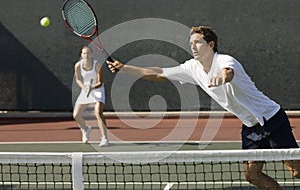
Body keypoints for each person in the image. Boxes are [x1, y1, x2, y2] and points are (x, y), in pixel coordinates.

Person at [107, 26, 300, 189]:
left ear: (210, 45)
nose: (193, 46)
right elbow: (158, 73)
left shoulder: (224, 60)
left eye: (197, 42)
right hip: (250, 126)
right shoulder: (192, 68)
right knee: (252, 175)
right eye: (191, 43)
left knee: (296, 170)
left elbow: (229, 73)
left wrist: (221, 78)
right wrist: (125, 68)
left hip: (272, 118)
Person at [73, 45, 109, 147]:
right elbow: (78, 79)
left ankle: (104, 138)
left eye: (88, 53)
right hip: (85, 89)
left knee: (98, 112)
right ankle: (85, 129)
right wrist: (84, 88)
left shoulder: (97, 65)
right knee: (76, 115)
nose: (86, 55)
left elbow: (100, 82)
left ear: (92, 54)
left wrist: (91, 87)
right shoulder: (77, 66)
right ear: (81, 55)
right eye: (84, 53)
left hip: (97, 89)